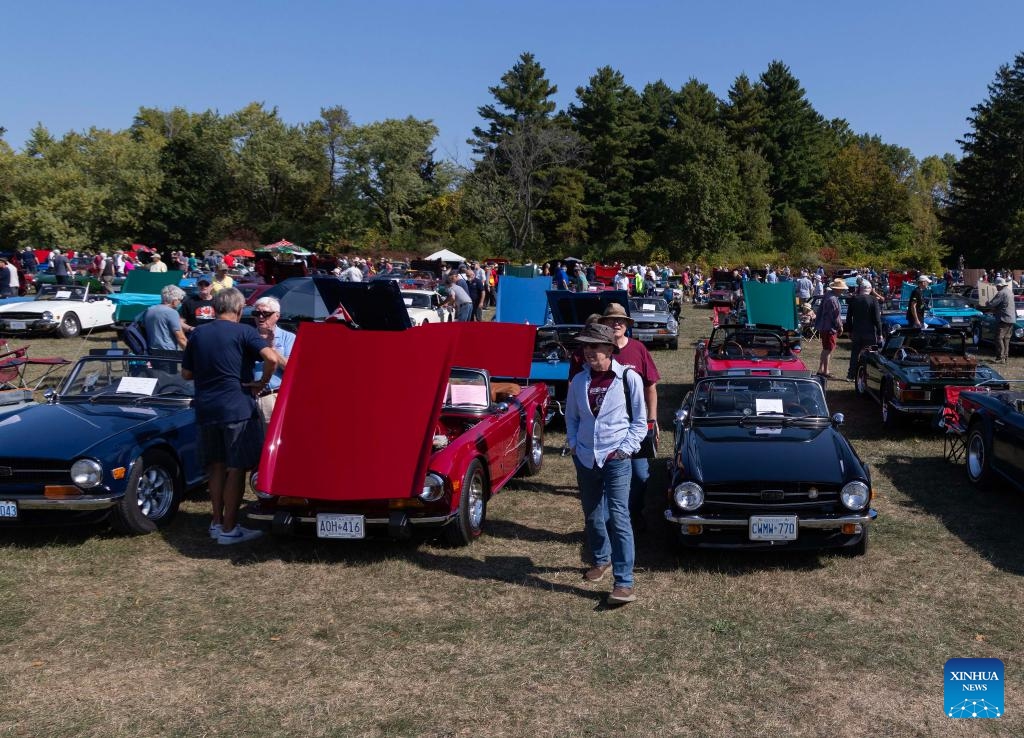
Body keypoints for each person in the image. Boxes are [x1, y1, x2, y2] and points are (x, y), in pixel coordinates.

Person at [181, 288, 280, 545]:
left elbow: (186, 374)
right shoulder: (244, 331)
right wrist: (262, 382)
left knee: (215, 466)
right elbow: (271, 358)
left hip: (206, 407)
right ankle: (229, 528)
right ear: (239, 309)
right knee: (236, 468)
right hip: (237, 408)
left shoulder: (198, 333)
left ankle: (216, 522)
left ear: (214, 308)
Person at [565, 322, 647, 605]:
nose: (589, 352)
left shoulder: (628, 378)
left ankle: (624, 582)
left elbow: (640, 421)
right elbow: (572, 417)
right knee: (592, 513)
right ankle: (601, 559)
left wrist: (624, 450)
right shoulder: (579, 381)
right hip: (586, 457)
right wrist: (574, 444)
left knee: (619, 516)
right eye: (585, 347)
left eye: (595, 346)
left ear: (610, 349)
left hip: (616, 458)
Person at [598, 303, 660, 530]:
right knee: (609, 478)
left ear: (626, 324)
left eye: (621, 320)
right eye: (612, 320)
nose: (617, 323)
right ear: (604, 324)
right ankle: (610, 524)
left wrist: (652, 420)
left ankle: (634, 513)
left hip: (635, 424)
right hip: (607, 426)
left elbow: (650, 387)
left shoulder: (638, 349)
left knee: (641, 475)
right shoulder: (598, 351)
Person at [250, 296, 295, 426]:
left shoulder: (288, 337)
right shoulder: (248, 336)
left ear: (277, 316)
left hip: (273, 396)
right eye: (256, 313)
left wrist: (272, 349)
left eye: (265, 313)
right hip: (249, 397)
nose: (260, 317)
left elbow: (291, 369)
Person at [845, 280, 883, 381]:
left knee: (854, 354)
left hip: (856, 331)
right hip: (870, 332)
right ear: (869, 289)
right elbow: (877, 319)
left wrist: (849, 331)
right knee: (871, 354)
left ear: (860, 289)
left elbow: (848, 318)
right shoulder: (873, 300)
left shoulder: (854, 299)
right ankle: (868, 375)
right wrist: (880, 333)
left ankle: (851, 375)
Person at [815, 278, 846, 378]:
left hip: (824, 326)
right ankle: (825, 371)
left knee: (825, 349)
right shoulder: (832, 299)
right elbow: (835, 316)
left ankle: (821, 369)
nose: (843, 290)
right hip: (829, 328)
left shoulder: (828, 295)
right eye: (842, 289)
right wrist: (840, 326)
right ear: (837, 289)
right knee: (828, 349)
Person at [144, 285, 188, 350]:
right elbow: (181, 338)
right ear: (174, 300)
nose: (180, 303)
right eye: (180, 300)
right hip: (167, 351)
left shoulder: (150, 310)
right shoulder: (172, 312)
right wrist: (192, 353)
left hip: (150, 350)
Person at [986, 276, 1016, 363]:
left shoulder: (1001, 293)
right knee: (1006, 339)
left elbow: (992, 304)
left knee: (998, 338)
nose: (996, 287)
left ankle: (1000, 357)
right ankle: (1005, 357)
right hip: (1011, 318)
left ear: (1000, 285)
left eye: (997, 286)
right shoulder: (1010, 292)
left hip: (1004, 319)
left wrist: (987, 303)